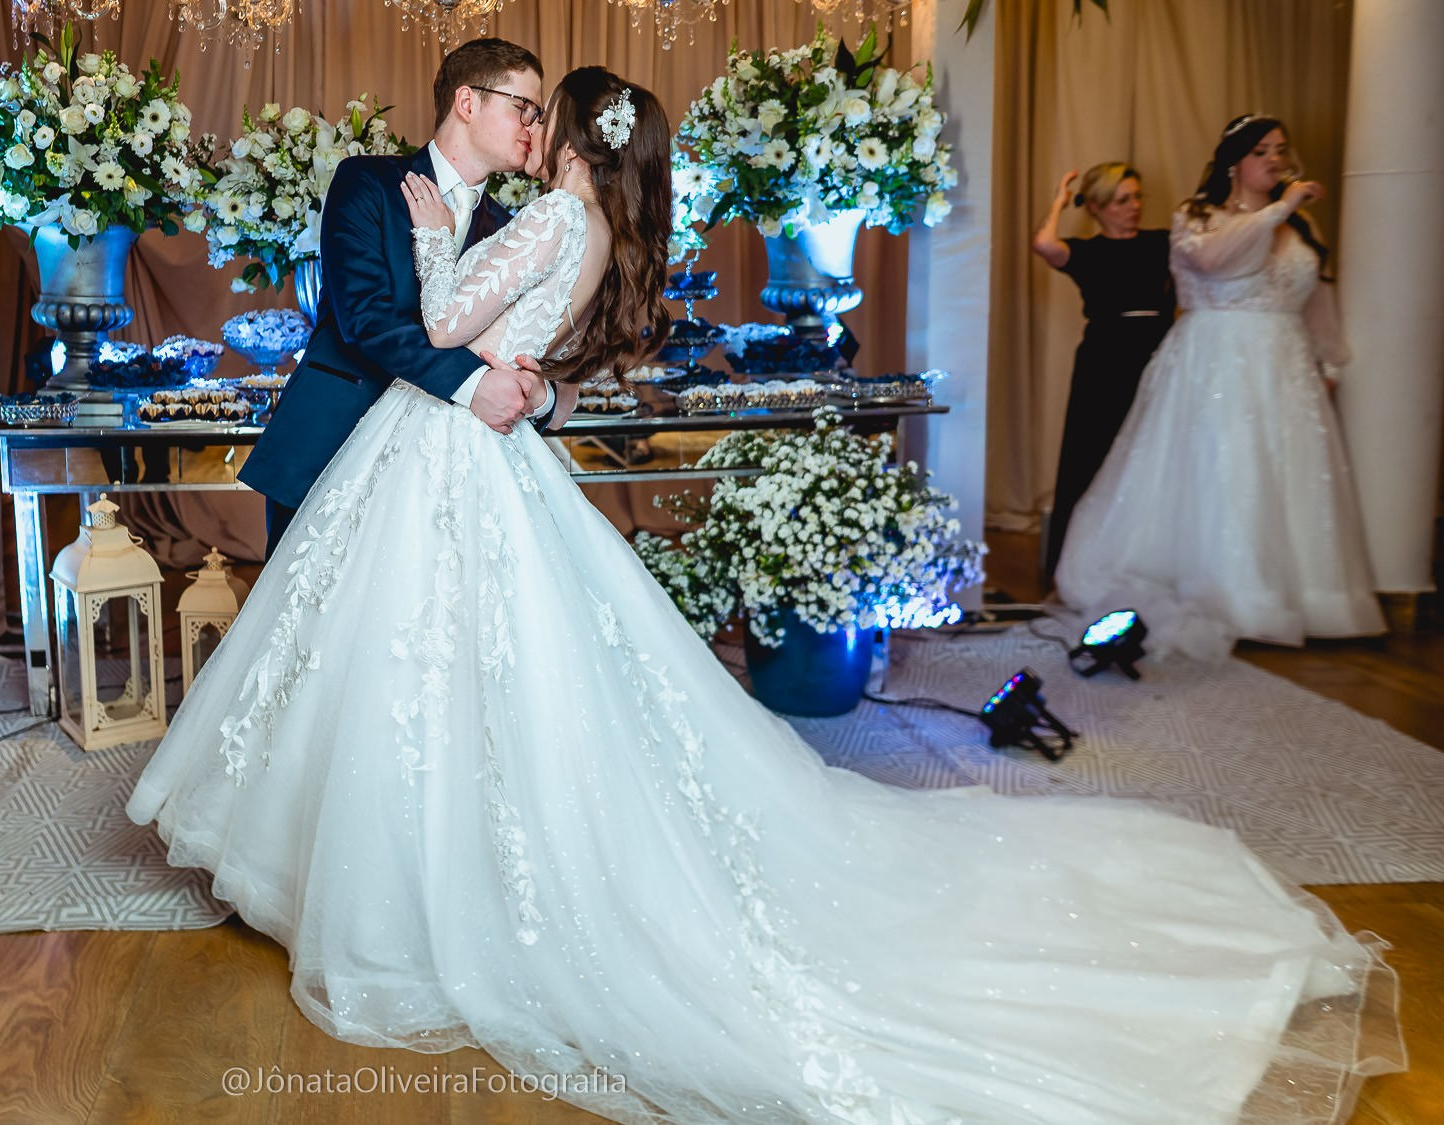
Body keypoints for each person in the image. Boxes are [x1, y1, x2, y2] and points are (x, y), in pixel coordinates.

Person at [130, 79, 1399, 1124]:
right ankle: (409, 851)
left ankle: (409, 876)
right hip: (469, 456)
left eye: (539, 119)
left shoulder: (546, 223)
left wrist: (424, 242)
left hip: (454, 457)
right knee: (467, 665)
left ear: (566, 136)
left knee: (437, 660)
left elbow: (434, 315)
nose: (525, 138)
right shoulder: (598, 234)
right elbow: (511, 344)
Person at [1056, 114, 1387, 651]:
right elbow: (1218, 261)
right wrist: (1281, 207)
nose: (1276, 160)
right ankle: (1230, 592)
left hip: (1285, 363)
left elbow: (1318, 294)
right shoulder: (1197, 216)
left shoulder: (1302, 225)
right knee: (1224, 470)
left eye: (1281, 150)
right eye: (1263, 151)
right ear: (1235, 161)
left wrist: (1330, 361)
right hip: (1214, 359)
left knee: (1288, 479)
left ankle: (1303, 595)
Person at [239, 37, 576, 559]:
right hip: (331, 443)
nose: (534, 127)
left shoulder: (514, 231)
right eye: (523, 108)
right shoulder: (367, 183)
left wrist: (538, 392)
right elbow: (365, 319)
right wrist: (474, 385)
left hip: (434, 475)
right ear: (468, 103)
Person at [1031, 162, 1175, 576]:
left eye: (1137, 197)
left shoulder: (1162, 242)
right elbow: (1044, 243)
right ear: (1096, 206)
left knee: (1151, 452)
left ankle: (1143, 557)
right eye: (1121, 200)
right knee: (1090, 454)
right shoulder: (1088, 251)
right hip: (1106, 360)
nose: (1134, 207)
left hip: (1158, 354)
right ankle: (1074, 561)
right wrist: (1060, 201)